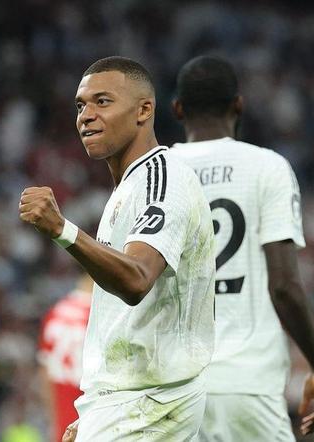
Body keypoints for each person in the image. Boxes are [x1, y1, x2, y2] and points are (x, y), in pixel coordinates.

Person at [19, 56, 216, 441]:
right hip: (132, 405)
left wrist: (61, 229)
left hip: (146, 406)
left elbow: (137, 279)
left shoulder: (162, 179)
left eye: (103, 102)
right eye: (80, 106)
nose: (86, 116)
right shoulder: (131, 186)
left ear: (144, 110)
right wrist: (96, 409)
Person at [170, 54, 314, 441]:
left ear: (177, 109)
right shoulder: (266, 167)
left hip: (169, 390)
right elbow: (284, 286)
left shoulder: (155, 171)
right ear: (238, 105)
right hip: (246, 384)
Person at [38, 273, 92, 442]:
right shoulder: (97, 314)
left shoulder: (55, 312)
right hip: (90, 413)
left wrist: (52, 419)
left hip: (62, 417)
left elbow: (44, 372)